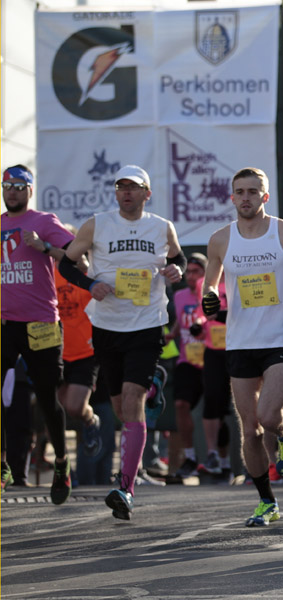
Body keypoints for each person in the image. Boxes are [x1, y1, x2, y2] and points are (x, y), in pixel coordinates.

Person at [201, 167, 283, 526]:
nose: (245, 198)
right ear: (232, 197)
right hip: (240, 340)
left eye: (252, 191)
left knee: (268, 416)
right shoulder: (220, 239)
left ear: (264, 197)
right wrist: (210, 298)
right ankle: (266, 501)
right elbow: (210, 284)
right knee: (250, 429)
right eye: (239, 191)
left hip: (280, 336)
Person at [59, 165, 186, 519]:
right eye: (121, 187)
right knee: (119, 408)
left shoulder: (162, 227)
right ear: (116, 193)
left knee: (130, 403)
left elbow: (178, 259)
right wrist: (90, 285)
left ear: (147, 193)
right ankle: (153, 383)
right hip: (107, 326)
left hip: (146, 325)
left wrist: (175, 270)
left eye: (134, 187)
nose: (127, 192)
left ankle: (126, 487)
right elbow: (66, 266)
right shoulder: (97, 224)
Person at [2, 165, 78, 503]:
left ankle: (61, 463)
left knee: (47, 398)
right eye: (7, 186)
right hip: (5, 323)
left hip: (42, 323)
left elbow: (78, 258)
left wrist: (45, 246)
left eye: (19, 186)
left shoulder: (44, 221)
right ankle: (4, 464)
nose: (12, 191)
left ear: (30, 190)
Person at [166, 253, 208, 483]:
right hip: (186, 360)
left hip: (211, 358)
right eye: (188, 272)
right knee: (181, 404)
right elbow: (179, 320)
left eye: (196, 272)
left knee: (214, 412)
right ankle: (190, 457)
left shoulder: (214, 294)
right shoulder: (180, 295)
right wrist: (171, 334)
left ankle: (216, 460)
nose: (191, 276)